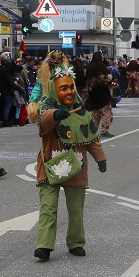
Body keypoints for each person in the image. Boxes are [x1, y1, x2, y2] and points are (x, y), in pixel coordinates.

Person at [33, 63, 107, 262]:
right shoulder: (47, 106)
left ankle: (76, 242)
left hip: (76, 167)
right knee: (48, 207)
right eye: (63, 88)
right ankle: (44, 245)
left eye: (71, 87)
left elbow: (91, 136)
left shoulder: (80, 110)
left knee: (76, 208)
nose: (69, 92)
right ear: (55, 90)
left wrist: (100, 157)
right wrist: (56, 115)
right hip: (51, 165)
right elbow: (43, 123)